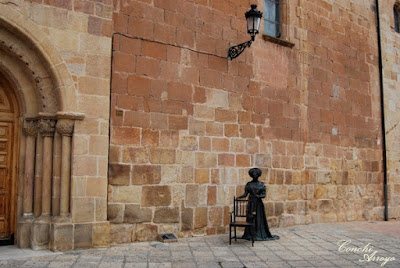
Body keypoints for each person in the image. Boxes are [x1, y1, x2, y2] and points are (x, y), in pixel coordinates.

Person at [238, 168, 279, 241]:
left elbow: (264, 195)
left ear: (258, 175)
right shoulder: (249, 184)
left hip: (258, 204)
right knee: (251, 218)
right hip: (251, 203)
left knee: (259, 218)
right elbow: (245, 194)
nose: (255, 176)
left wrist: (258, 196)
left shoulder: (261, 184)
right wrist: (238, 197)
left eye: (256, 175)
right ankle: (251, 233)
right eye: (253, 175)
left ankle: (259, 233)